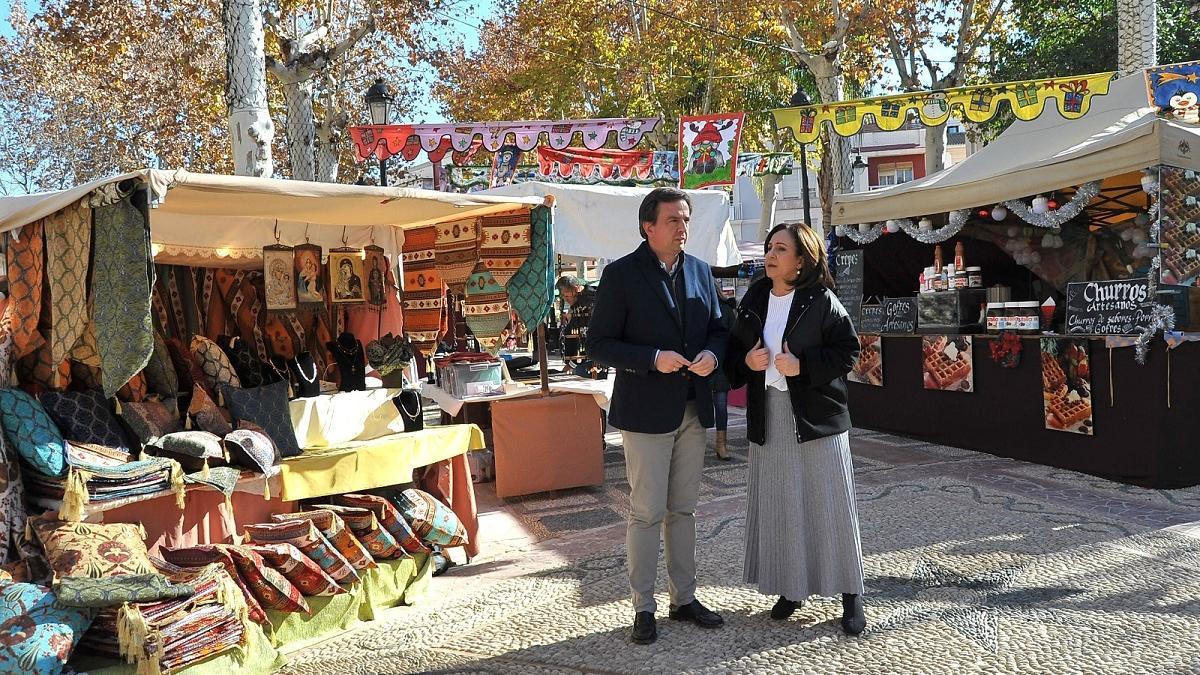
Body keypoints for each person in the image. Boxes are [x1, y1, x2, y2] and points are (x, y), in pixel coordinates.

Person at [587, 187, 729, 645]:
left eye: (686, 220)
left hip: (692, 407)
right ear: (648, 227)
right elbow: (599, 344)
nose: (683, 228)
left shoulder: (701, 271)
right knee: (647, 512)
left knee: (683, 509)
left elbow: (719, 329)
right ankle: (643, 607)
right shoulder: (621, 275)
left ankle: (683, 599)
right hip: (646, 411)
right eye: (673, 220)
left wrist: (712, 353)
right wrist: (651, 358)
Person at [724, 222, 866, 635]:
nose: (771, 254)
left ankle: (851, 593)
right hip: (768, 415)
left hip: (817, 417)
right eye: (770, 247)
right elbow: (734, 352)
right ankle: (792, 587)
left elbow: (849, 351)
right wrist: (745, 362)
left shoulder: (821, 299)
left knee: (831, 504)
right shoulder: (754, 297)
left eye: (781, 249)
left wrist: (802, 366)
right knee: (781, 503)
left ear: (801, 260)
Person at [711, 291, 738, 460]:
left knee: (721, 407)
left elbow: (734, 338)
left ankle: (721, 444)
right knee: (694, 409)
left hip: (720, 367)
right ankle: (692, 445)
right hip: (699, 366)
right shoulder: (697, 308)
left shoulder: (725, 310)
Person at [556, 275, 596, 375]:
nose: (565, 299)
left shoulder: (590, 301)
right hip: (578, 360)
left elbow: (584, 338)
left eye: (567, 296)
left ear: (576, 288)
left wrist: (572, 364)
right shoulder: (578, 303)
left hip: (589, 361)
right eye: (563, 296)